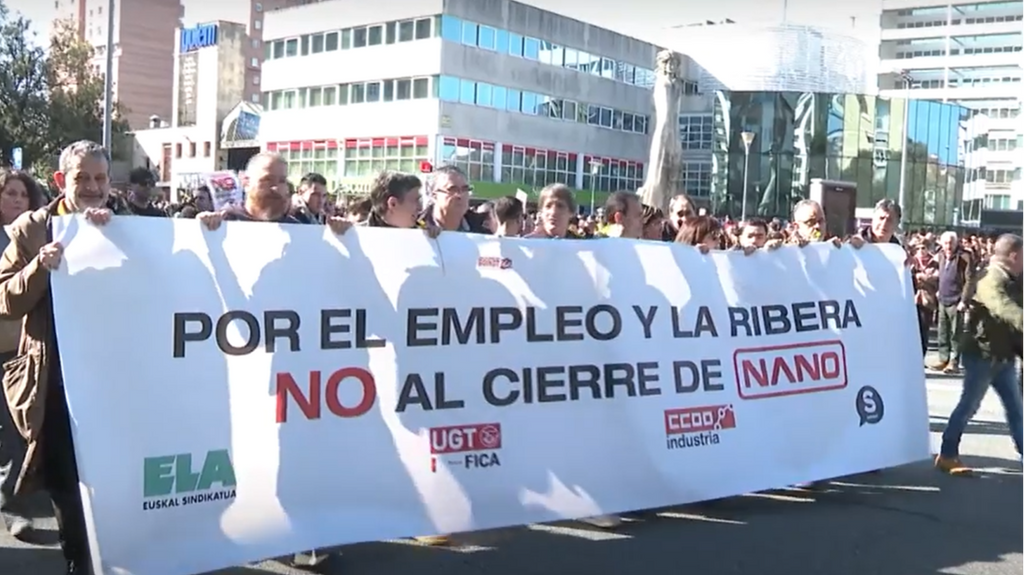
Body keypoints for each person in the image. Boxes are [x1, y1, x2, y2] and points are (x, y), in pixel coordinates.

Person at [0, 140, 116, 575]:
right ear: (59, 180)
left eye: (100, 178)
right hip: (56, 380)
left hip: (116, 378)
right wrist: (39, 268)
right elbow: (5, 300)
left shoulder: (125, 224)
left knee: (112, 477)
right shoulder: (32, 229)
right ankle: (79, 562)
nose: (91, 187)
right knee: (67, 481)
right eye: (81, 177)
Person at [936, 234, 1024, 475]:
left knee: (1017, 410)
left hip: (1002, 356)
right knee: (969, 406)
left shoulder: (1013, 279)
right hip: (982, 356)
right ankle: (947, 454)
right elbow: (1003, 307)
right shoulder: (990, 278)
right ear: (1014, 256)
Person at [0, 170, 46, 542]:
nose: (17, 200)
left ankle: (13, 507)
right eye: (9, 193)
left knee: (16, 433)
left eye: (23, 195)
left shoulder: (38, 235)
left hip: (19, 350)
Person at [930, 231, 977, 374]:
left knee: (955, 333)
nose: (948, 246)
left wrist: (964, 300)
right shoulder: (941, 255)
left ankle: (954, 362)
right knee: (943, 332)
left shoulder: (965, 257)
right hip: (943, 299)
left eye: (951, 243)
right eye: (945, 243)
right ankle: (943, 359)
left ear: (956, 243)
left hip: (957, 301)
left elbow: (970, 280)